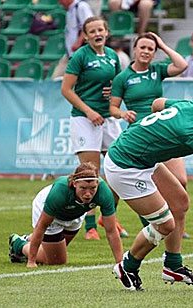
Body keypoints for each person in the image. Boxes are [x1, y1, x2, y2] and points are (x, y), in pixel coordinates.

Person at [107, 85, 193, 290]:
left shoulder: (188, 106)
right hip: (125, 166)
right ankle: (127, 266)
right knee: (165, 225)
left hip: (141, 159)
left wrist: (155, 133)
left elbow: (157, 104)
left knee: (180, 202)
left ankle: (173, 266)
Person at [109, 32, 193, 241]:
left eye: (150, 49)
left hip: (164, 132)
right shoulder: (123, 78)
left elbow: (182, 65)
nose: (146, 51)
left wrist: (163, 45)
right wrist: (123, 114)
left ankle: (173, 223)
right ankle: (155, 224)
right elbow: (112, 107)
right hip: (140, 138)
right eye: (143, 47)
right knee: (145, 184)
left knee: (180, 181)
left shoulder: (157, 70)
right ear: (134, 50)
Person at [60, 16, 128, 240]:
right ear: (86, 36)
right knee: (91, 173)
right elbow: (67, 89)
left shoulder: (112, 56)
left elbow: (117, 85)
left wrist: (115, 98)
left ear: (106, 32)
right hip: (84, 119)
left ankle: (108, 217)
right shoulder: (80, 56)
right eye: (92, 31)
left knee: (120, 169)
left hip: (108, 119)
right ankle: (90, 227)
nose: (97, 33)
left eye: (101, 29)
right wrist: (89, 111)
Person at [8, 162, 123, 268]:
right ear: (74, 184)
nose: (88, 194)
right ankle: (18, 244)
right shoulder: (60, 192)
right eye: (83, 188)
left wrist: (120, 264)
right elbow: (41, 226)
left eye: (93, 188)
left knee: (55, 250)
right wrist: (31, 261)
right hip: (50, 212)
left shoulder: (104, 193)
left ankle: (30, 239)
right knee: (56, 260)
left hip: (76, 214)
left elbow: (111, 230)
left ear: (97, 183)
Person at [51, 0, 94, 79]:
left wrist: (78, 42)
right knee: (55, 79)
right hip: (69, 54)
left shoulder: (81, 6)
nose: (60, 2)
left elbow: (90, 26)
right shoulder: (69, 11)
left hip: (81, 53)